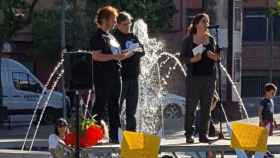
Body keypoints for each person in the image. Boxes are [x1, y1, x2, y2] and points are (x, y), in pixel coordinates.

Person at [90, 5, 133, 144]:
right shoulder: (97, 36)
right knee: (100, 105)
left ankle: (116, 137)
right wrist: (114, 57)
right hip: (102, 76)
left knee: (115, 106)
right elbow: (96, 56)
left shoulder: (111, 36)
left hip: (116, 75)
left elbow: (116, 55)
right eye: (113, 19)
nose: (115, 21)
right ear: (104, 19)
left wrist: (127, 54)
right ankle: (93, 135)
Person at [180, 13, 219, 143]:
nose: (206, 23)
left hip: (209, 78)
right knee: (191, 108)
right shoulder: (188, 40)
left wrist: (214, 57)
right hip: (194, 78)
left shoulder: (211, 39)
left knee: (206, 108)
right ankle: (189, 135)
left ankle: (203, 134)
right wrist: (193, 59)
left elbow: (218, 57)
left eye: (207, 21)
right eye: (203, 21)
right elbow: (182, 58)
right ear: (197, 24)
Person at [113, 11, 145, 131]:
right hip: (121, 78)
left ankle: (132, 133)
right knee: (117, 107)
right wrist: (131, 52)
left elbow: (142, 50)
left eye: (130, 23)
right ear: (118, 24)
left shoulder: (133, 36)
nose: (128, 26)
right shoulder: (114, 37)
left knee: (131, 109)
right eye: (125, 24)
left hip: (134, 77)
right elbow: (116, 54)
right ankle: (116, 133)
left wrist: (134, 51)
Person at [257, 83, 277, 157]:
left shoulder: (271, 101)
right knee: (263, 138)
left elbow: (272, 112)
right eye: (272, 92)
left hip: (270, 122)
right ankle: (263, 153)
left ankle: (265, 151)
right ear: (267, 92)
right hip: (264, 122)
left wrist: (274, 121)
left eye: (274, 93)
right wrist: (261, 121)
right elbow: (259, 111)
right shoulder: (264, 101)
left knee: (268, 138)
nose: (274, 94)